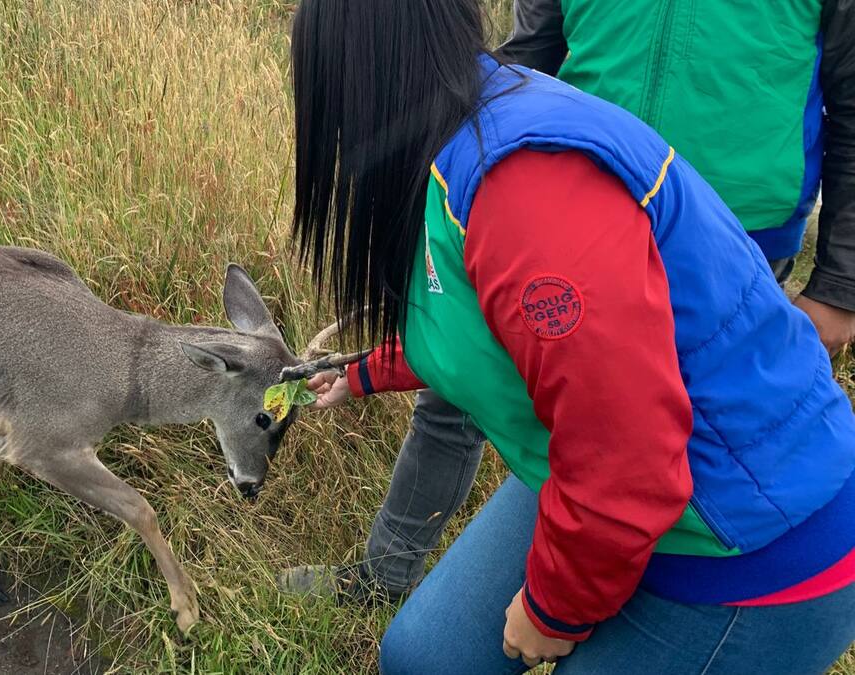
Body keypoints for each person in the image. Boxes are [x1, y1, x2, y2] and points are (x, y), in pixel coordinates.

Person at [287, 0, 855, 672]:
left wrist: (553, 608)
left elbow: (627, 456)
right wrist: (363, 372)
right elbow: (483, 325)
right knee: (422, 656)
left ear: (344, 82)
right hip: (617, 471)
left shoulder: (523, 189)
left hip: (748, 539)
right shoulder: (455, 149)